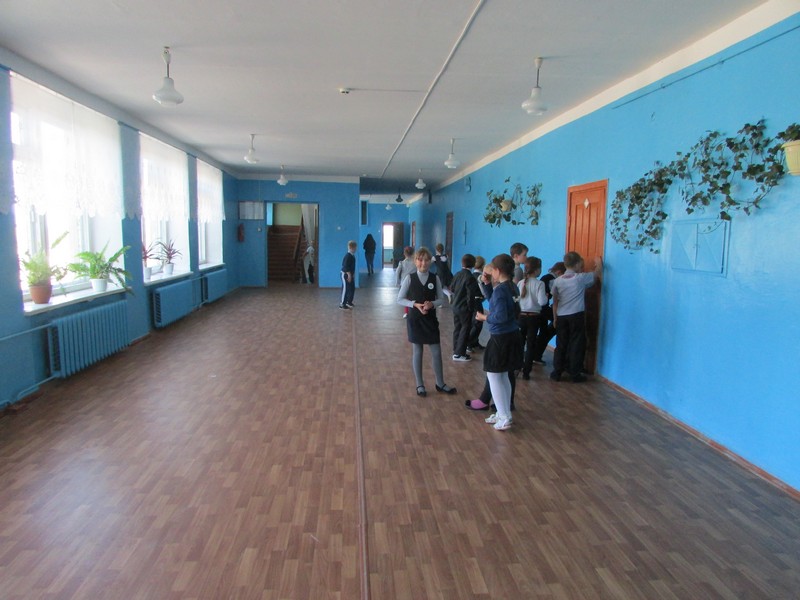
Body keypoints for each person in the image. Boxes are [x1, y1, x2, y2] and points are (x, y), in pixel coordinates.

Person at [396, 247, 457, 397]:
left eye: (427, 260)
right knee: (418, 351)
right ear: (415, 261)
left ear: (431, 261)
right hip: (415, 320)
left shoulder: (435, 278)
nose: (423, 263)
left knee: (436, 351)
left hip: (430, 319)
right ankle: (420, 384)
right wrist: (415, 304)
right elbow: (400, 299)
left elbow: (441, 299)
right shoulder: (409, 278)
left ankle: (440, 383)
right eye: (420, 260)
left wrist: (432, 304)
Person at [475, 253, 522, 430]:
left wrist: (484, 317)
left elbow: (500, 316)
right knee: (502, 376)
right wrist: (487, 285)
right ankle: (504, 413)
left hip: (501, 338)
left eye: (492, 270)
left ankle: (504, 416)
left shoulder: (502, 290)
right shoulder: (511, 287)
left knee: (494, 375)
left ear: (497, 270)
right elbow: (494, 302)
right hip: (511, 335)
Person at [550, 252, 603, 382]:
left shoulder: (557, 281)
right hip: (576, 315)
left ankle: (557, 372)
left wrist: (555, 318)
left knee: (561, 344)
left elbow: (555, 301)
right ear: (578, 263)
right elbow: (597, 274)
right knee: (577, 344)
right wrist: (599, 263)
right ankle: (575, 373)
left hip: (561, 316)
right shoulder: (580, 278)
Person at [517, 257, 547, 380]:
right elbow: (542, 302)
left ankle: (517, 367)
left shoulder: (520, 283)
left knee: (520, 343)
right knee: (530, 345)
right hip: (534, 318)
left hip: (521, 316)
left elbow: (517, 299)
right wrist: (546, 296)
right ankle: (526, 372)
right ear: (536, 270)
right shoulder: (540, 284)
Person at [530, 261, 566, 365]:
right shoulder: (551, 280)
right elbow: (556, 294)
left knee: (544, 332)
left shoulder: (546, 278)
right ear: (559, 272)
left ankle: (535, 354)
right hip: (543, 309)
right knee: (549, 329)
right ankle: (537, 355)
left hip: (541, 309)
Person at [449, 253, 481, 362]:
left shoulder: (457, 274)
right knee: (465, 329)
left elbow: (452, 288)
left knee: (457, 328)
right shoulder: (470, 277)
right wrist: (471, 308)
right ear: (473, 264)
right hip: (464, 308)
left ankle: (456, 350)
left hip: (455, 306)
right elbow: (470, 295)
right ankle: (460, 354)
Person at [466, 256, 486, 352]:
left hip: (470, 301)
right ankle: (469, 343)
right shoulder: (480, 277)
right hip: (477, 301)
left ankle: (474, 342)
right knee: (478, 323)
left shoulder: (470, 275)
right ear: (482, 265)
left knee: (473, 322)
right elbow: (483, 291)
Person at [339, 240, 357, 309]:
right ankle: (342, 304)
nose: (355, 249)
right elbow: (345, 266)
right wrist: (349, 275)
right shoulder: (348, 256)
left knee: (351, 288)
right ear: (350, 248)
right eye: (354, 248)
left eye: (355, 248)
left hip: (350, 275)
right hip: (345, 275)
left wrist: (353, 274)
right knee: (345, 289)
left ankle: (349, 302)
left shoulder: (352, 256)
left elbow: (352, 267)